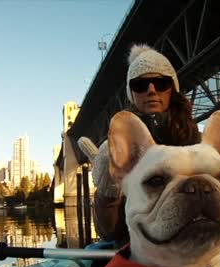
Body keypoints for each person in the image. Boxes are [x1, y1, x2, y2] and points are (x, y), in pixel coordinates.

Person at [80, 44, 201, 247]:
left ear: (173, 88)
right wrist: (107, 190)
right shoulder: (120, 146)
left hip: (192, 247)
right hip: (139, 253)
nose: (151, 90)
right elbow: (108, 232)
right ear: (131, 93)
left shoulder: (198, 140)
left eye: (161, 83)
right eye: (140, 85)